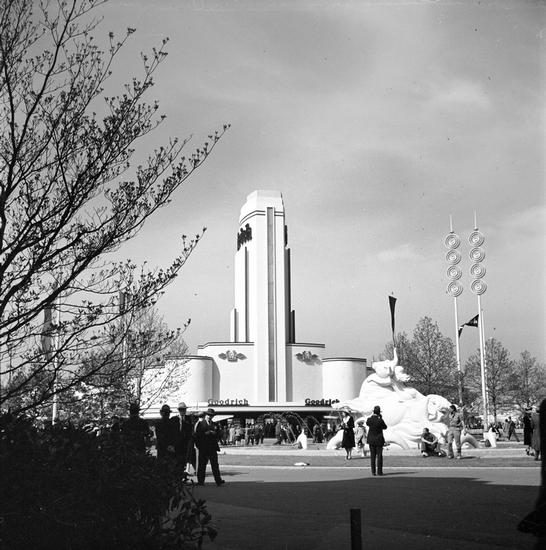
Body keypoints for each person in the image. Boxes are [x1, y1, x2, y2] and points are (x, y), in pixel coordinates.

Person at [193, 408, 225, 486]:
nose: (209, 417)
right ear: (206, 415)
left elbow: (219, 435)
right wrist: (205, 434)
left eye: (211, 415)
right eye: (208, 415)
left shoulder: (215, 424)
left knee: (215, 465)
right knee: (202, 465)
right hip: (203, 447)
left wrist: (214, 433)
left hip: (212, 447)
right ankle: (200, 481)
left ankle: (218, 481)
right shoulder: (200, 424)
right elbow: (197, 436)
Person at [170, 402, 195, 474]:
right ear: (178, 410)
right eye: (181, 410)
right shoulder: (174, 419)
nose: (183, 411)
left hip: (186, 444)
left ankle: (184, 473)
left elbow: (190, 431)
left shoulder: (189, 419)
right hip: (177, 444)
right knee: (177, 462)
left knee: (184, 460)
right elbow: (171, 432)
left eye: (184, 409)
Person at [366, 405, 387, 476]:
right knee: (379, 456)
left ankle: (373, 471)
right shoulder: (380, 420)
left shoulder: (369, 419)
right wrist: (380, 418)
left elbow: (367, 423)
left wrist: (373, 416)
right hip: (379, 439)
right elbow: (385, 427)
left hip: (371, 439)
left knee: (373, 456)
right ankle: (379, 472)